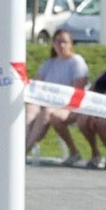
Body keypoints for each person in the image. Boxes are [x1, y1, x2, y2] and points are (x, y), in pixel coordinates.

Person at [25, 29, 89, 165]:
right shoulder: (49, 64)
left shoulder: (77, 62)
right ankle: (19, 147)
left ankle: (25, 150)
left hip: (69, 106)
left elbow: (78, 90)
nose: (61, 45)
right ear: (53, 44)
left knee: (48, 112)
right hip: (45, 103)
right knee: (30, 110)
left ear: (71, 44)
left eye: (65, 42)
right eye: (58, 42)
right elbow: (36, 85)